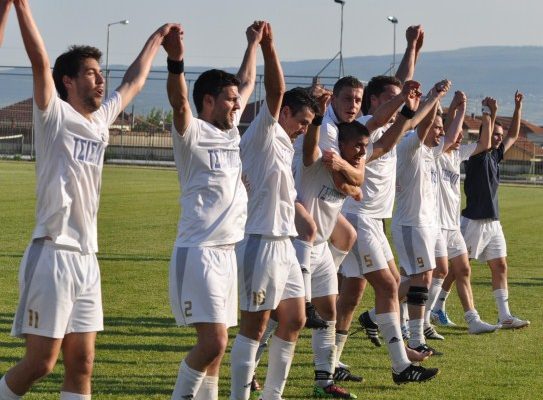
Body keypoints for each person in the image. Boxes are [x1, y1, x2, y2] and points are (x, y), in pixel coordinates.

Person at [0, 2, 178, 400]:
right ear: (67, 81)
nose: (101, 81)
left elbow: (133, 81)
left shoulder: (100, 121)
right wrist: (20, 6)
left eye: (101, 74)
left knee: (82, 364)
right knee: (41, 364)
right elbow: (39, 59)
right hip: (53, 253)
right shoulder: (54, 116)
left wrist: (156, 40)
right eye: (92, 74)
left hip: (86, 258)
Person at [163, 21, 263, 399]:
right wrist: (176, 61)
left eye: (237, 100)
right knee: (214, 343)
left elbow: (247, 81)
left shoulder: (231, 130)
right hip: (198, 252)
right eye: (230, 99)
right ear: (208, 101)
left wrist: (252, 43)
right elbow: (177, 101)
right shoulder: (191, 132)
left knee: (217, 352)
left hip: (227, 253)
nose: (238, 104)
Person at [339, 80, 446, 384]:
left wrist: (429, 98)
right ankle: (401, 365)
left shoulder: (387, 133)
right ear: (374, 101)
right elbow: (388, 120)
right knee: (387, 287)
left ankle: (331, 361)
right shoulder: (363, 128)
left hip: (372, 220)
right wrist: (407, 99)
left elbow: (406, 121)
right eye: (391, 97)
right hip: (359, 218)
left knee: (354, 294)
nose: (399, 101)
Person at [229, 23, 311, 400]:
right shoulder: (263, 129)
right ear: (285, 112)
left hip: (284, 243)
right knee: (255, 327)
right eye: (301, 122)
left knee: (295, 318)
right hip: (259, 240)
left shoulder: (286, 140)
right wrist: (268, 47)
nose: (302, 130)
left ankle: (272, 395)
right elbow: (274, 90)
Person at [296, 104, 370, 398]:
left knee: (329, 311)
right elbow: (308, 151)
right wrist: (315, 120)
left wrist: (344, 174)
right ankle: (249, 376)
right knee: (276, 319)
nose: (362, 152)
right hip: (297, 245)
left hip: (322, 248)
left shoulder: (346, 168)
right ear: (339, 145)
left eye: (365, 147)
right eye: (357, 146)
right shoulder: (316, 162)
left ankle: (323, 383)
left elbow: (359, 187)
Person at [391, 80, 452, 355]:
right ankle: (414, 339)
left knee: (423, 277)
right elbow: (423, 126)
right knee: (419, 278)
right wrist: (434, 98)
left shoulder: (429, 152)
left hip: (424, 225)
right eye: (436, 127)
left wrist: (440, 103)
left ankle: (377, 315)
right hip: (410, 223)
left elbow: (449, 137)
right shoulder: (408, 146)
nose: (439, 132)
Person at [460, 90, 530, 329]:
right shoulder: (477, 156)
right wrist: (489, 113)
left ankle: (505, 315)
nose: (498, 138)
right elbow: (488, 138)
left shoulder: (495, 156)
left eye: (499, 135)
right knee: (457, 269)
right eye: (494, 134)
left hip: (493, 222)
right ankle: (436, 307)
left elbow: (513, 134)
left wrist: (518, 108)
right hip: (473, 221)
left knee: (500, 265)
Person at [430, 94, 499, 334]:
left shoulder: (457, 156)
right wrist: (461, 108)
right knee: (432, 274)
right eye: (457, 133)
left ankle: (473, 320)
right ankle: (414, 319)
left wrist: (487, 113)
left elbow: (484, 143)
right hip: (434, 225)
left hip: (452, 226)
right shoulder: (435, 153)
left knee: (463, 269)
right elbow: (449, 134)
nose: (460, 137)